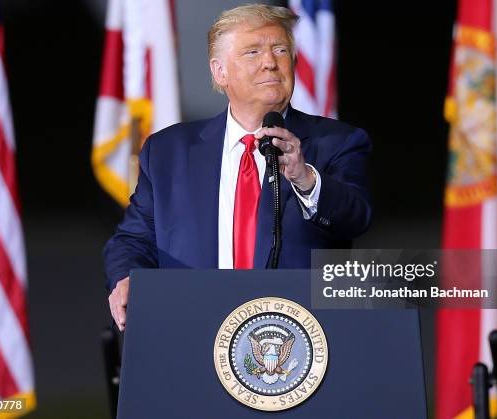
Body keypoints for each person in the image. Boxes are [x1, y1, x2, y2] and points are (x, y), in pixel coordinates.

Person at [104, 4, 372, 331]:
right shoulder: (168, 152)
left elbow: (355, 219)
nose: (270, 62)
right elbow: (132, 240)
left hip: (296, 342)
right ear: (220, 72)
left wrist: (305, 178)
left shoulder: (337, 142)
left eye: (281, 49)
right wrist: (127, 279)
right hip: (192, 330)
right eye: (252, 52)